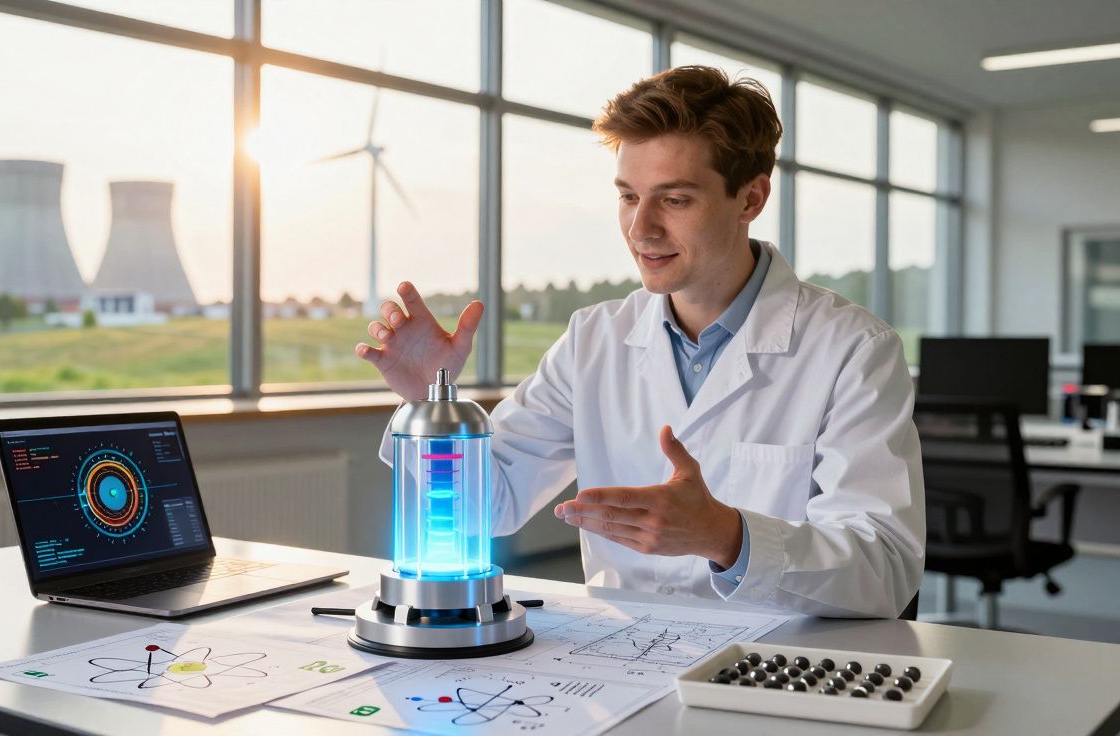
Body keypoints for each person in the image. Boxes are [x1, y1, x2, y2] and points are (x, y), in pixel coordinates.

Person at [356, 66, 923, 618]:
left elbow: (886, 569)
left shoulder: (854, 349)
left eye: (674, 200)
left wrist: (728, 536)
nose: (640, 229)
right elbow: (490, 504)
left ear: (750, 199)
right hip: (621, 657)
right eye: (629, 197)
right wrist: (430, 407)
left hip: (777, 657)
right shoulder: (592, 339)